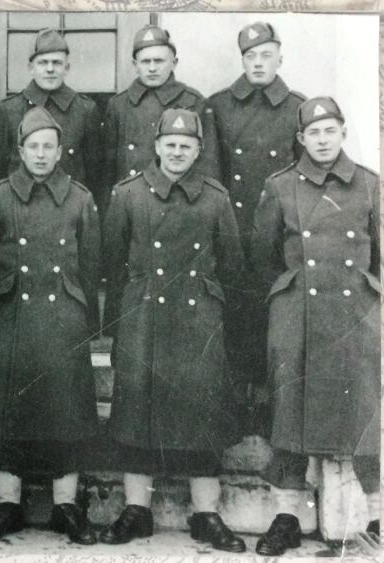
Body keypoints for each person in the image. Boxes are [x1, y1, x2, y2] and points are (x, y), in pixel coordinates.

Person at [101, 108, 246, 553]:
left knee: (201, 409)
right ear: (157, 146)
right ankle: (136, 510)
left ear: (199, 150)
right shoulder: (129, 194)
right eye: (170, 144)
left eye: (187, 145)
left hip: (197, 315)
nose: (178, 151)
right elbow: (111, 259)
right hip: (143, 314)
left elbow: (233, 264)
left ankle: (206, 514)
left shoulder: (216, 197)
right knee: (135, 410)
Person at [251, 97, 380, 555]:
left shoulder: (369, 185)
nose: (322, 140)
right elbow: (263, 258)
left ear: (343, 132)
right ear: (301, 139)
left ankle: (374, 515)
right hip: (297, 318)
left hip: (354, 318)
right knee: (289, 414)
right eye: (313, 133)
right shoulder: (281, 187)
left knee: (362, 414)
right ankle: (286, 515)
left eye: (330, 130)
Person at [0, 106, 100, 545]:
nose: (41, 155)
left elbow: (92, 266)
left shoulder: (81, 198)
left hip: (63, 315)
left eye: (49, 146)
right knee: (8, 411)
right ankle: (8, 505)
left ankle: (66, 506)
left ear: (61, 150)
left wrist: (87, 324)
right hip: (12, 315)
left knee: (67, 409)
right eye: (33, 147)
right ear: (20, 150)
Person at [201, 22, 306, 433]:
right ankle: (232, 408)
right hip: (233, 232)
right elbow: (211, 176)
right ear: (242, 60)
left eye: (266, 55)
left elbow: (302, 178)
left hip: (278, 238)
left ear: (280, 57)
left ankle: (267, 410)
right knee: (233, 318)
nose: (258, 63)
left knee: (273, 321)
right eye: (250, 56)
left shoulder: (297, 106)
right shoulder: (218, 106)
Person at [0, 29, 102, 203]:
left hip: (67, 211)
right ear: (31, 68)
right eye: (43, 62)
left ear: (67, 68)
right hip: (18, 209)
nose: (50, 69)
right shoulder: (8, 110)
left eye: (56, 63)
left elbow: (95, 177)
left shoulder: (86, 110)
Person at [102, 24, 206, 218]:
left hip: (179, 204)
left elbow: (206, 165)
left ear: (174, 63)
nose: (152, 68)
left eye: (159, 61)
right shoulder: (118, 105)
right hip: (132, 204)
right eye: (145, 61)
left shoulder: (193, 102)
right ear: (135, 65)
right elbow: (108, 170)